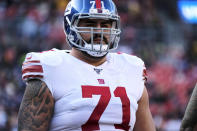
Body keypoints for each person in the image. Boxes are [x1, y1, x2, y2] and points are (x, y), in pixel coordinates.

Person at [18, 0, 156, 130]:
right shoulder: (51, 67)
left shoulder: (132, 68)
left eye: (105, 25)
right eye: (90, 24)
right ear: (70, 27)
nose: (98, 31)